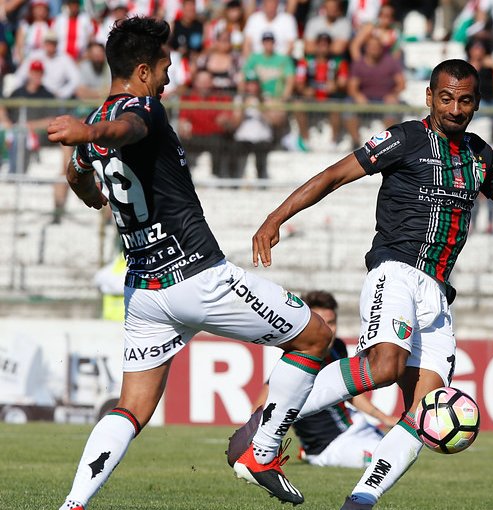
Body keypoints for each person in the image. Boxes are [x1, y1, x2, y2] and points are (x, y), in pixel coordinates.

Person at [234, 59, 493, 510]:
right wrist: (275, 218)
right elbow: (334, 175)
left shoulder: (480, 156)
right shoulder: (406, 138)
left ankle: (359, 503)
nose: (455, 107)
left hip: (437, 291)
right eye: (445, 98)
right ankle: (266, 427)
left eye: (464, 100)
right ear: (429, 97)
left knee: (424, 410)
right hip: (395, 271)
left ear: (476, 104)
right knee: (384, 365)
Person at [46, 17, 332, 509]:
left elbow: (77, 174)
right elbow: (127, 127)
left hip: (144, 293)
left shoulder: (95, 126)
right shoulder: (141, 110)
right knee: (315, 338)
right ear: (140, 71)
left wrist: (92, 185)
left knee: (131, 407)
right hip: (197, 277)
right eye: (163, 69)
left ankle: (73, 504)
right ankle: (261, 452)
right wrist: (94, 130)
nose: (168, 79)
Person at [254, 290, 395, 468]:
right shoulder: (298, 361)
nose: (328, 329)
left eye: (331, 322)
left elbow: (349, 391)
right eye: (320, 323)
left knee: (398, 445)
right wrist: (264, 443)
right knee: (387, 460)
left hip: (355, 424)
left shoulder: (337, 347)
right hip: (329, 446)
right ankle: (309, 452)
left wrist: (384, 418)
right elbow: (263, 405)